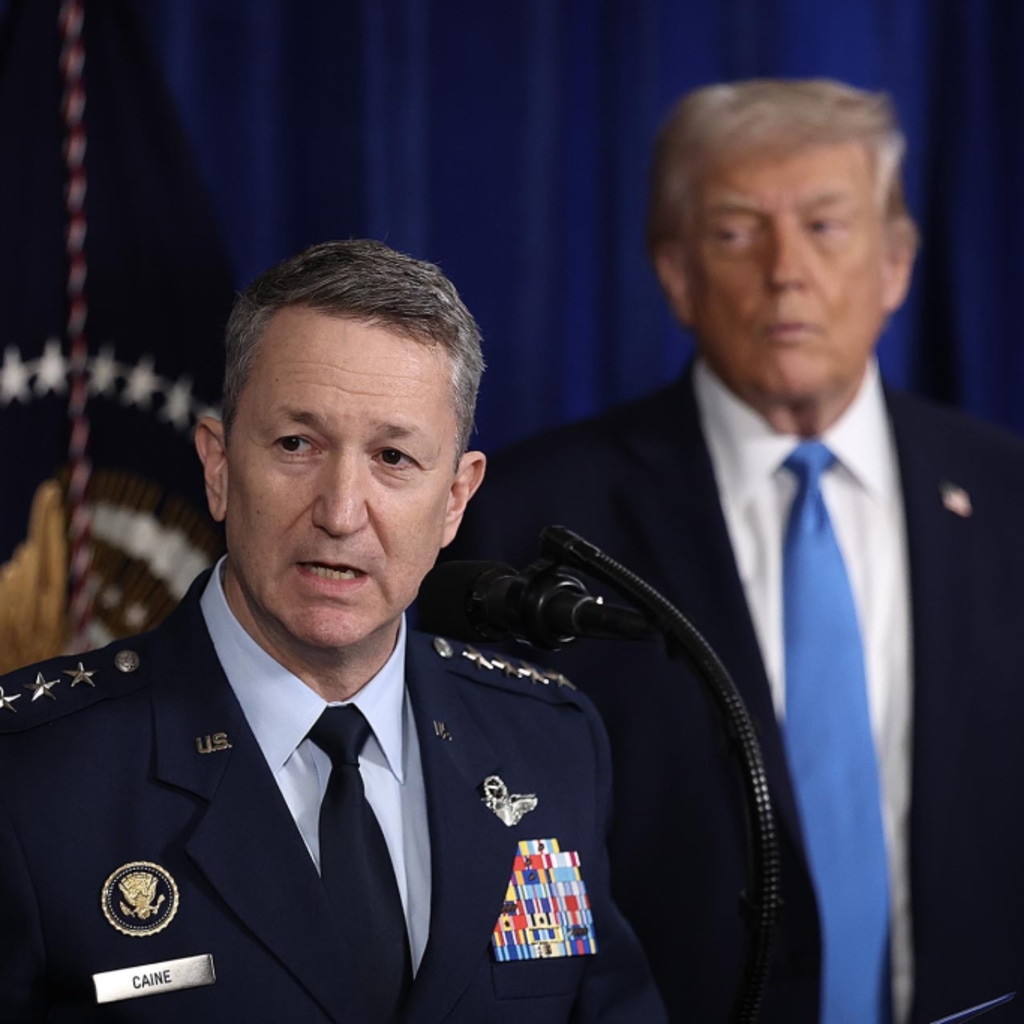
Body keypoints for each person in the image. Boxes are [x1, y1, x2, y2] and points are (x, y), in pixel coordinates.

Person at [446, 79, 1024, 1023]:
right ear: (675, 273)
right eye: (736, 231)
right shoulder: (530, 520)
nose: (785, 269)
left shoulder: (1008, 498)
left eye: (826, 226)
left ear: (896, 264)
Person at [0, 239, 666, 1023]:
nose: (341, 512)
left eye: (392, 457)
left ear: (455, 498)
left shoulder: (546, 743)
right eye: (296, 445)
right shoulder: (31, 778)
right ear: (218, 467)